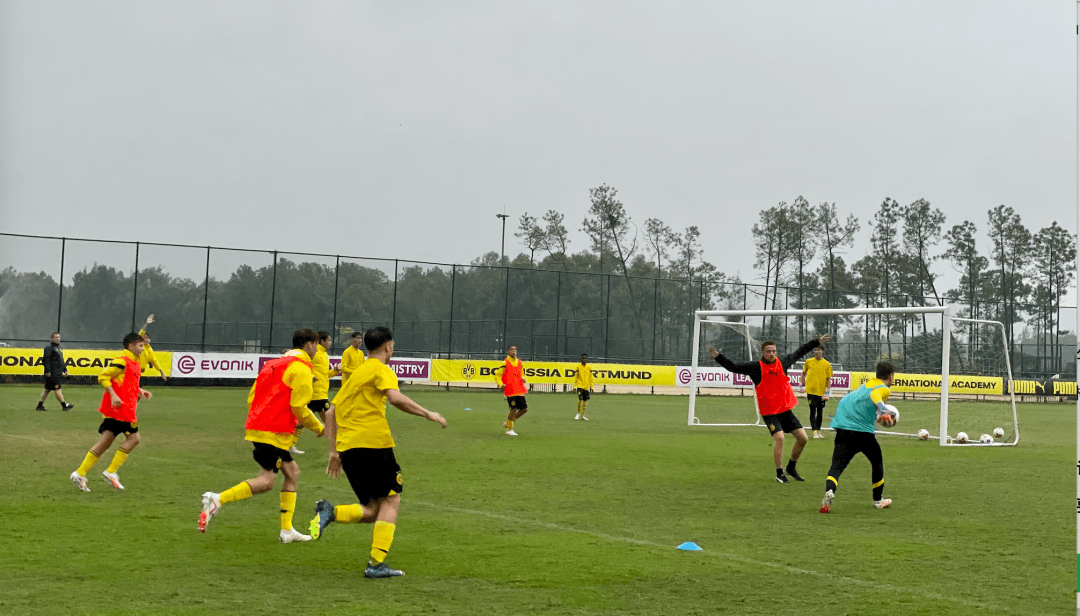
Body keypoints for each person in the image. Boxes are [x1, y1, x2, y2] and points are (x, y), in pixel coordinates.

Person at [308, 326, 446, 579]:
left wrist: (333, 452)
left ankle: (331, 511)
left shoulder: (358, 372)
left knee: (373, 509)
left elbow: (329, 413)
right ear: (388, 346)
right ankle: (376, 564)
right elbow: (395, 398)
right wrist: (428, 413)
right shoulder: (381, 370)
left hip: (348, 449)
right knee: (392, 499)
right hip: (374, 444)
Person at [197, 329, 326, 543]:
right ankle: (217, 499)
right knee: (266, 481)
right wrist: (319, 428)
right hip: (273, 431)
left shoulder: (271, 365)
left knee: (292, 473)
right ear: (310, 345)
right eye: (316, 346)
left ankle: (287, 531)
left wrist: (261, 418)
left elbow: (251, 397)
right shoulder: (301, 368)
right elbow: (298, 407)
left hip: (261, 427)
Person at [709, 334, 830, 483]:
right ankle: (779, 473)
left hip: (785, 410)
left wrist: (817, 342)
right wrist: (717, 356)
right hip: (770, 412)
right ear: (762, 353)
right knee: (780, 438)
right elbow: (733, 367)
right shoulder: (756, 367)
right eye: (768, 351)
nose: (771, 354)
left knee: (803, 439)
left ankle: (791, 467)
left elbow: (800, 351)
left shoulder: (783, 362)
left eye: (773, 351)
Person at [69, 333, 152, 491]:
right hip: (120, 411)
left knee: (106, 443)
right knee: (133, 439)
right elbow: (103, 377)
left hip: (124, 410)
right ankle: (110, 472)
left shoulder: (133, 363)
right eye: (141, 345)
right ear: (131, 346)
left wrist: (140, 391)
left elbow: (126, 382)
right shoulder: (122, 361)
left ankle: (80, 473)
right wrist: (113, 395)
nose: (143, 349)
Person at [819, 361, 896, 513]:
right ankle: (878, 500)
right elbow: (875, 395)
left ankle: (829, 491)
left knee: (837, 465)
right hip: (863, 433)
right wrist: (883, 410)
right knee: (877, 463)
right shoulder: (884, 389)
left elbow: (850, 400)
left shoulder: (867, 384)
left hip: (843, 428)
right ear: (891, 376)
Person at [290, 331, 339, 455]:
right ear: (321, 341)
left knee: (302, 422)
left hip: (321, 393)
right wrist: (310, 376)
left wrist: (334, 372)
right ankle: (341, 447)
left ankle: (288, 443)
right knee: (330, 420)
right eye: (328, 340)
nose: (330, 343)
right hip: (316, 394)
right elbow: (304, 367)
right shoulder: (315, 354)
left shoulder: (323, 355)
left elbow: (324, 374)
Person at [801, 345, 833, 439]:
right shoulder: (808, 361)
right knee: (812, 411)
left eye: (818, 350)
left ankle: (818, 431)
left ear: (822, 351)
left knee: (820, 412)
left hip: (821, 392)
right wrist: (801, 385)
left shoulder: (826, 364)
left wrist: (827, 393)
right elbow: (803, 373)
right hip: (811, 391)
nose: (816, 352)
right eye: (815, 350)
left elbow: (828, 379)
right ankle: (814, 432)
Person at [495, 345, 528, 436]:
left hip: (519, 389)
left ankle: (510, 422)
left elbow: (520, 375)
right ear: (508, 352)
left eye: (515, 349)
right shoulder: (505, 363)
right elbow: (497, 375)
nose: (513, 351)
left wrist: (523, 379)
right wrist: (501, 384)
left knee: (524, 409)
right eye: (511, 349)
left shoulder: (519, 363)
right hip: (510, 390)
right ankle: (509, 429)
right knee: (513, 409)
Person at [37, 332, 74, 411]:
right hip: (53, 373)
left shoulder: (58, 348)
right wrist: (48, 371)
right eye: (56, 337)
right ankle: (64, 406)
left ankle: (39, 406)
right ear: (52, 339)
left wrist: (65, 369)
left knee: (47, 389)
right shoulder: (49, 348)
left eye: (59, 337)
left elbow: (61, 361)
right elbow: (46, 360)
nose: (58, 339)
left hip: (57, 372)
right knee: (57, 389)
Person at [137, 314, 168, 381]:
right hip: (133, 369)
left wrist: (161, 372)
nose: (147, 339)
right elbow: (141, 332)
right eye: (145, 337)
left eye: (148, 337)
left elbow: (154, 361)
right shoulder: (138, 344)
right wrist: (146, 323)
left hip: (139, 372)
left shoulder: (149, 349)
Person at [573, 353, 593, 421]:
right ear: (581, 359)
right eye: (583, 358)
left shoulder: (589, 368)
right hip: (580, 386)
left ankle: (583, 415)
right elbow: (576, 377)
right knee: (580, 399)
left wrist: (591, 386)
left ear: (587, 359)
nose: (584, 359)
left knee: (585, 401)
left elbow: (590, 378)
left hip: (586, 387)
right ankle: (578, 413)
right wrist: (574, 386)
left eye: (585, 358)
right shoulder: (578, 367)